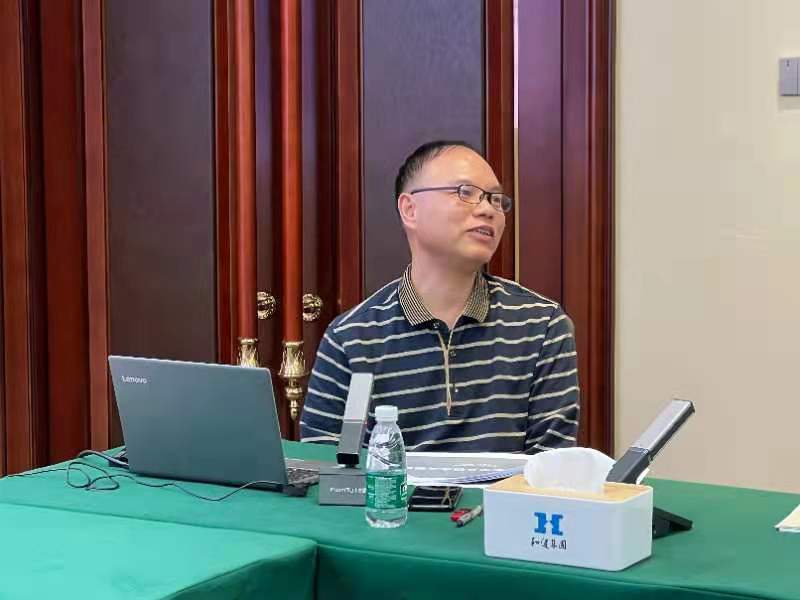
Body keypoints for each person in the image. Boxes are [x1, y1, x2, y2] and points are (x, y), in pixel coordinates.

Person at [300, 140, 579, 453]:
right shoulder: (351, 337)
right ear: (410, 209)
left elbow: (553, 467)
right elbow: (323, 465)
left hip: (510, 489)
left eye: (495, 199)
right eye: (465, 192)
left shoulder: (542, 325)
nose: (487, 210)